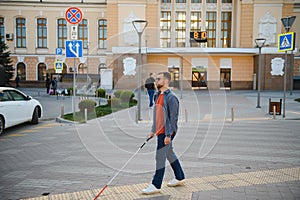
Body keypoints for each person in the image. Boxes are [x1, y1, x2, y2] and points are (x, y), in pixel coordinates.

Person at [142, 72, 185, 195]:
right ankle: (180, 176)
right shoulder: (157, 95)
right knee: (169, 154)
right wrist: (152, 130)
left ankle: (155, 185)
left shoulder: (171, 97)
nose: (156, 81)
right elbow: (157, 116)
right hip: (160, 131)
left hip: (166, 133)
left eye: (158, 79)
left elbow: (173, 118)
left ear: (166, 81)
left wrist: (168, 135)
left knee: (159, 157)